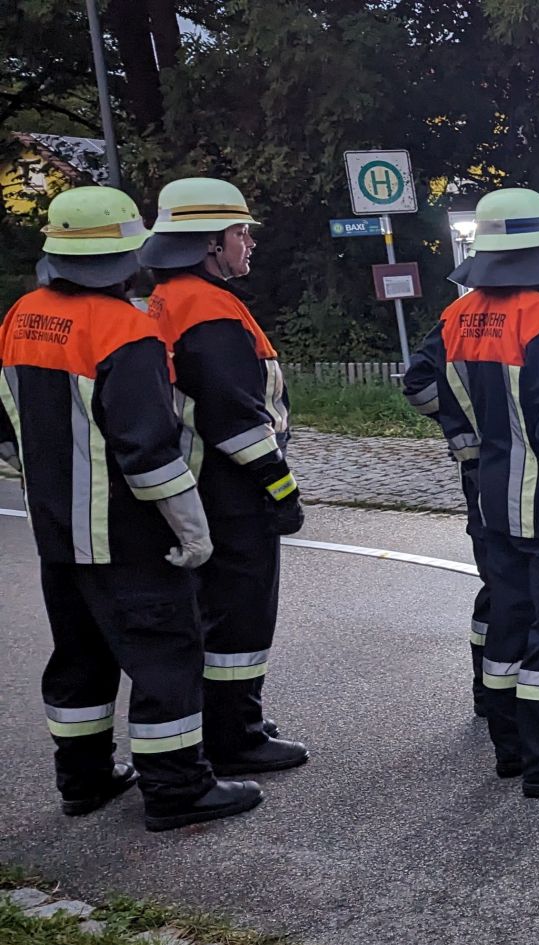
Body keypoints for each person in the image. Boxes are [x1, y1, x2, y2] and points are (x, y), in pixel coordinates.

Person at [0, 186, 262, 831]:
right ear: (128, 250)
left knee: (80, 656)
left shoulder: (22, 316)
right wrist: (193, 531)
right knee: (166, 655)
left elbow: (9, 431)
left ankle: (83, 780)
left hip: (58, 535)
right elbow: (148, 452)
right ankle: (177, 790)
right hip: (127, 537)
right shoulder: (125, 329)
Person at [408, 187, 539, 797]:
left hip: (490, 501)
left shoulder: (458, 315)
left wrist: (469, 440)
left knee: (508, 623)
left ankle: (512, 751)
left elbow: (423, 387)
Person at [141, 176, 309, 774]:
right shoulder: (208, 308)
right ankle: (235, 738)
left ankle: (230, 720)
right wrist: (281, 487)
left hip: (201, 483)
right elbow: (234, 416)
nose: (248, 243)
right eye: (241, 233)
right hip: (231, 489)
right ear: (210, 243)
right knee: (241, 615)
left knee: (216, 611)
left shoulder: (170, 298)